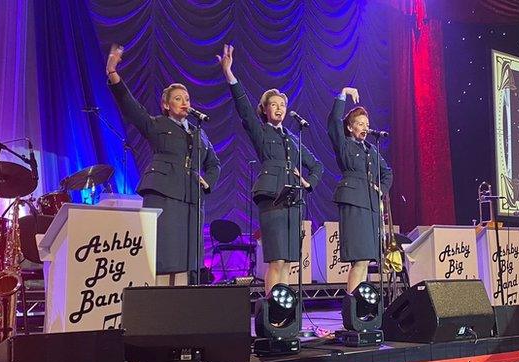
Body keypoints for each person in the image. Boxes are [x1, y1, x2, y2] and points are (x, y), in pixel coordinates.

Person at [105, 44, 220, 285]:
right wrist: (113, 74)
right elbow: (130, 106)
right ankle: (158, 306)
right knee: (162, 253)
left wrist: (206, 182)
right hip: (163, 193)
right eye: (178, 99)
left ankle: (181, 308)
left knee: (186, 256)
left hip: (190, 197)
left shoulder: (199, 134)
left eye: (187, 98)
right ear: (166, 105)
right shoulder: (157, 124)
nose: (184, 102)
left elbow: (214, 164)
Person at [217, 44, 323, 295]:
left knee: (287, 261)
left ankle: (282, 309)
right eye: (273, 105)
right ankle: (273, 309)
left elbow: (317, 166)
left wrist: (309, 184)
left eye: (282, 105)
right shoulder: (260, 131)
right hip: (272, 199)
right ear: (264, 110)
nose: (278, 108)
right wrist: (229, 75)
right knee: (276, 259)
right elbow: (243, 106)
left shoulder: (292, 138)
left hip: (293, 201)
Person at [328, 87, 392, 293]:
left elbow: (387, 173)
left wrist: (380, 189)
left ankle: (361, 306)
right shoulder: (344, 145)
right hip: (354, 201)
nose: (365, 128)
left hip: (371, 204)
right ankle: (352, 305)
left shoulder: (372, 150)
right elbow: (333, 124)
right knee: (359, 258)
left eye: (367, 124)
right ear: (350, 127)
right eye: (360, 124)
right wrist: (343, 95)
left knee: (366, 260)